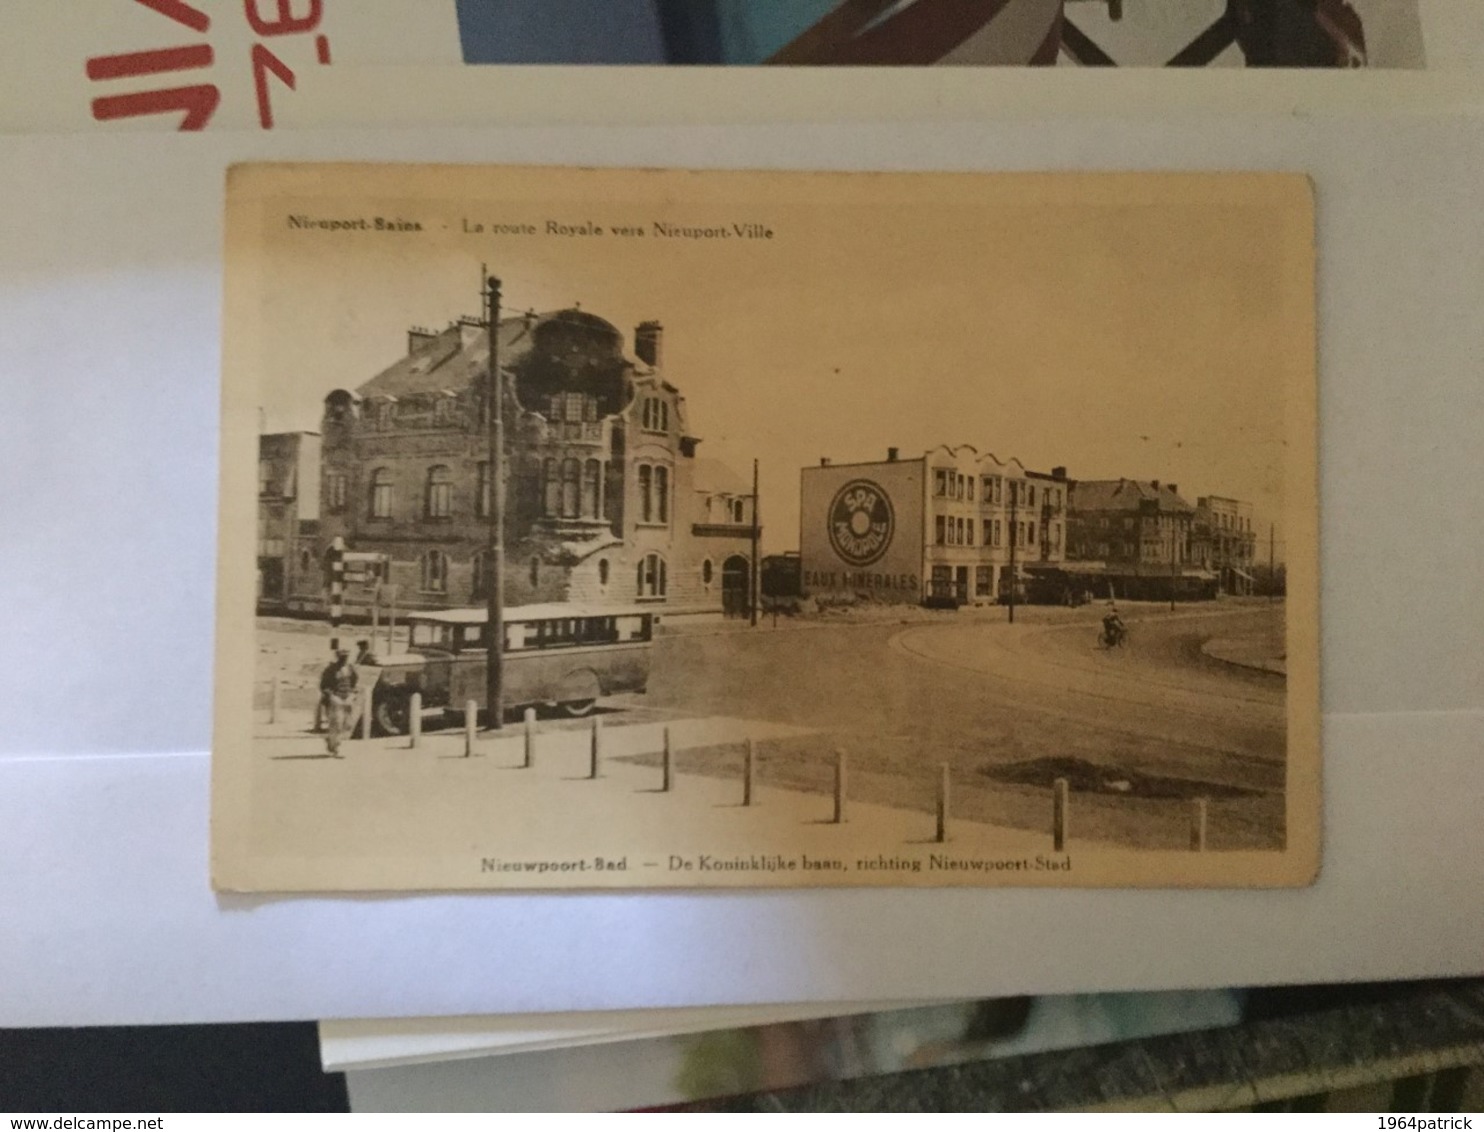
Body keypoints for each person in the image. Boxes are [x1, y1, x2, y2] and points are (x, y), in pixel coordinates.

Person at [319, 647, 359, 757]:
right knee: (337, 723)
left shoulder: (351, 669)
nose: (344, 659)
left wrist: (352, 693)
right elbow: (324, 686)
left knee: (348, 725)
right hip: (335, 699)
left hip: (348, 698)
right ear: (338, 657)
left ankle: (331, 740)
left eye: (346, 656)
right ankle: (335, 747)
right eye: (342, 656)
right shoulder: (330, 669)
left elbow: (354, 682)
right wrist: (331, 696)